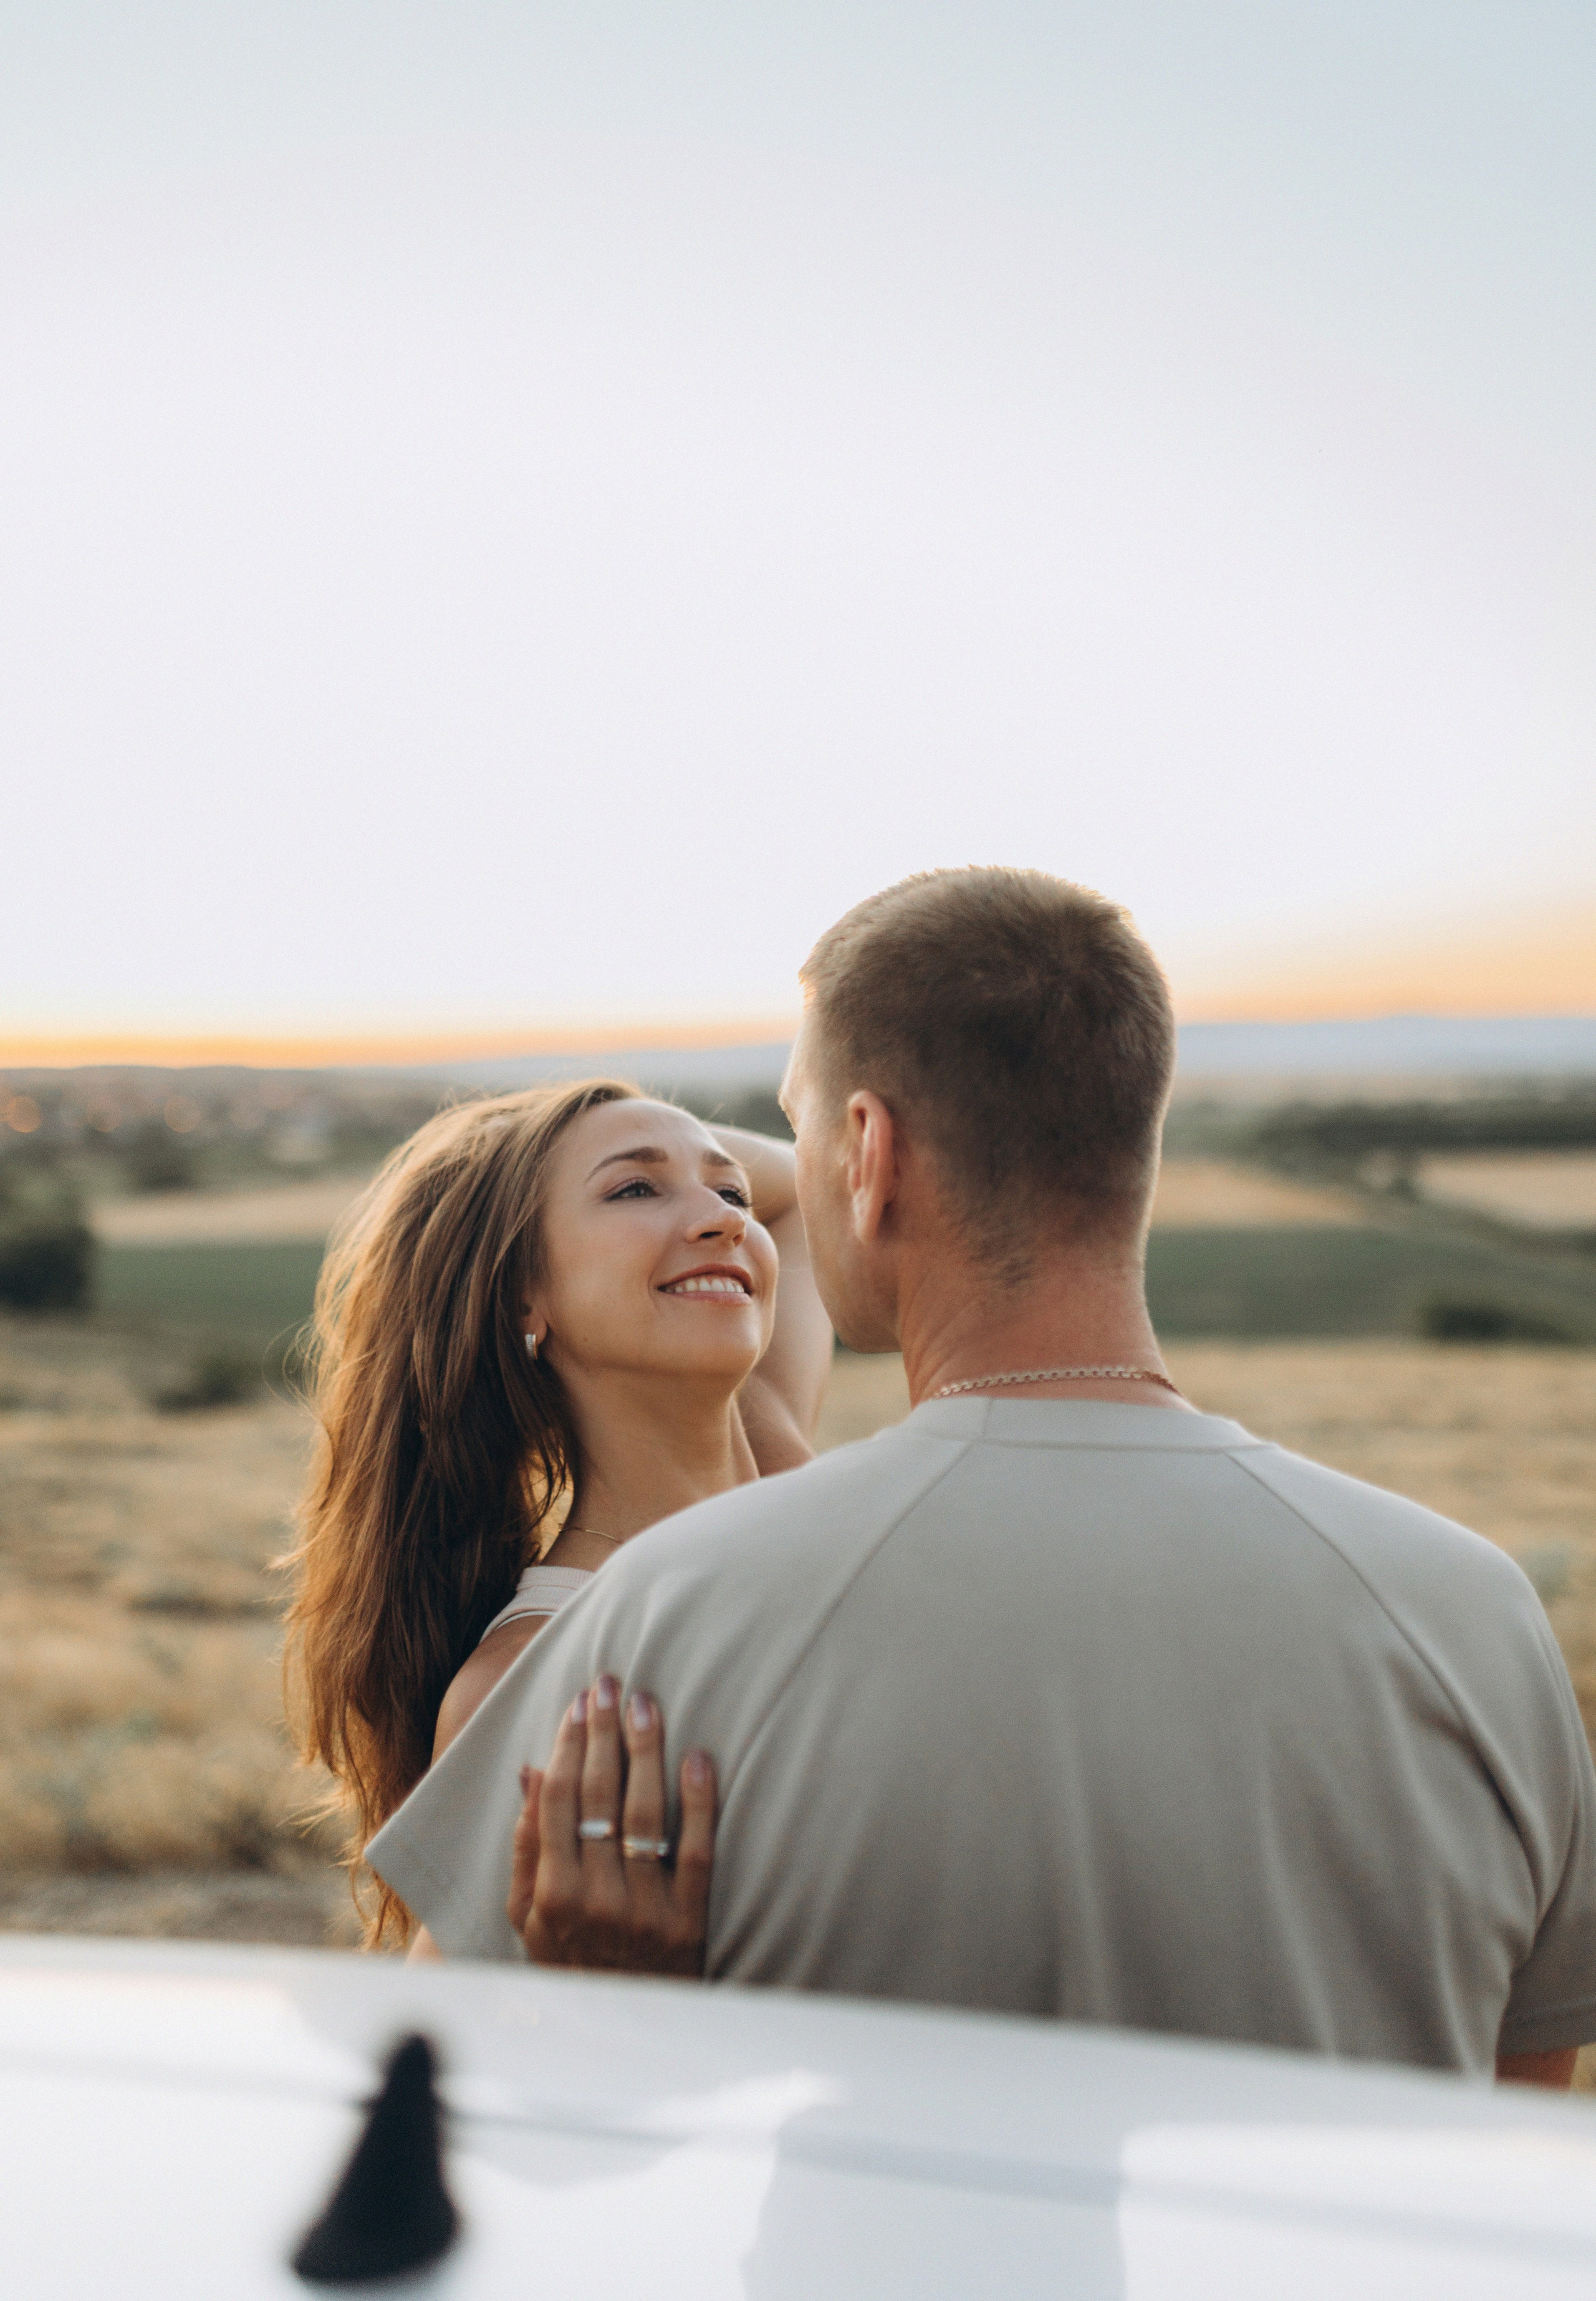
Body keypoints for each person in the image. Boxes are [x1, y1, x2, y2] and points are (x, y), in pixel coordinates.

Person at [367, 868, 1596, 2083]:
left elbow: (423, 2138)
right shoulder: (1475, 1608)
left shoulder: (659, 1623)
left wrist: (618, 2033)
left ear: (866, 1151)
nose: (731, 1211)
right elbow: (1525, 2138)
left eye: (762, 1159)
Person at [282, 1079, 832, 1944]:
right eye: (633, 1190)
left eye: (729, 1193)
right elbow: (478, 2030)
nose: (725, 1219)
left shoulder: (777, 1459)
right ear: (520, 1298)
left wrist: (624, 1141)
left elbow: (799, 1186)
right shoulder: (535, 1675)